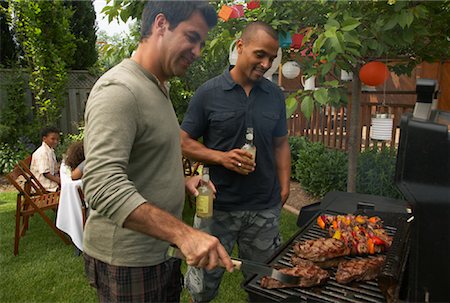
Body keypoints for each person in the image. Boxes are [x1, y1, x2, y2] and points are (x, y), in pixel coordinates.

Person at [82, 1, 233, 302]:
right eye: (192, 37)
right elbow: (101, 185)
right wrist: (184, 234)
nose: (198, 51)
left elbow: (145, 162)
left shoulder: (157, 87)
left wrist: (182, 181)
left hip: (160, 251)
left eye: (201, 43)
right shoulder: (120, 90)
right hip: (128, 262)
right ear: (161, 25)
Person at [180, 21, 292, 302]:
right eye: (260, 55)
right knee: (203, 284)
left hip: (263, 208)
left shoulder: (275, 96)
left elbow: (281, 143)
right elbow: (182, 141)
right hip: (217, 209)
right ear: (240, 47)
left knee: (266, 283)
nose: (267, 63)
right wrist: (221, 158)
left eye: (272, 57)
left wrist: (284, 184)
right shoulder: (208, 93)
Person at [30, 126, 61, 192]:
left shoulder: (50, 150)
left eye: (57, 139)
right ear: (44, 139)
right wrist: (60, 181)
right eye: (52, 139)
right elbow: (45, 173)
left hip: (49, 182)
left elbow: (54, 169)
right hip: (42, 186)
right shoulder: (42, 153)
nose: (55, 142)